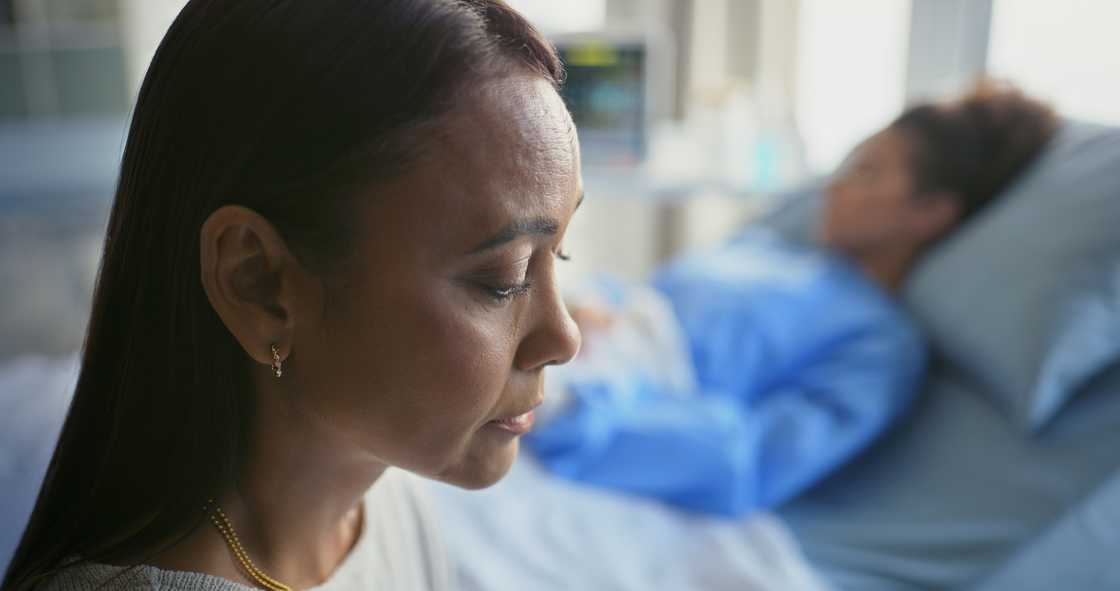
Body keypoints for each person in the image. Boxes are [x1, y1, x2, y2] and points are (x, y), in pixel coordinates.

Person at [2, 1, 582, 589]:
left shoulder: (382, 497)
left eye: (558, 252)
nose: (564, 338)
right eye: (502, 279)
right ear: (260, 285)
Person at [528, 81, 1058, 517]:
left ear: (929, 212)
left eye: (867, 173)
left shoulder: (880, 344)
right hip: (571, 337)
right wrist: (586, 305)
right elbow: (644, 294)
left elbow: (749, 460)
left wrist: (575, 418)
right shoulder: (768, 248)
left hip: (600, 401)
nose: (834, 188)